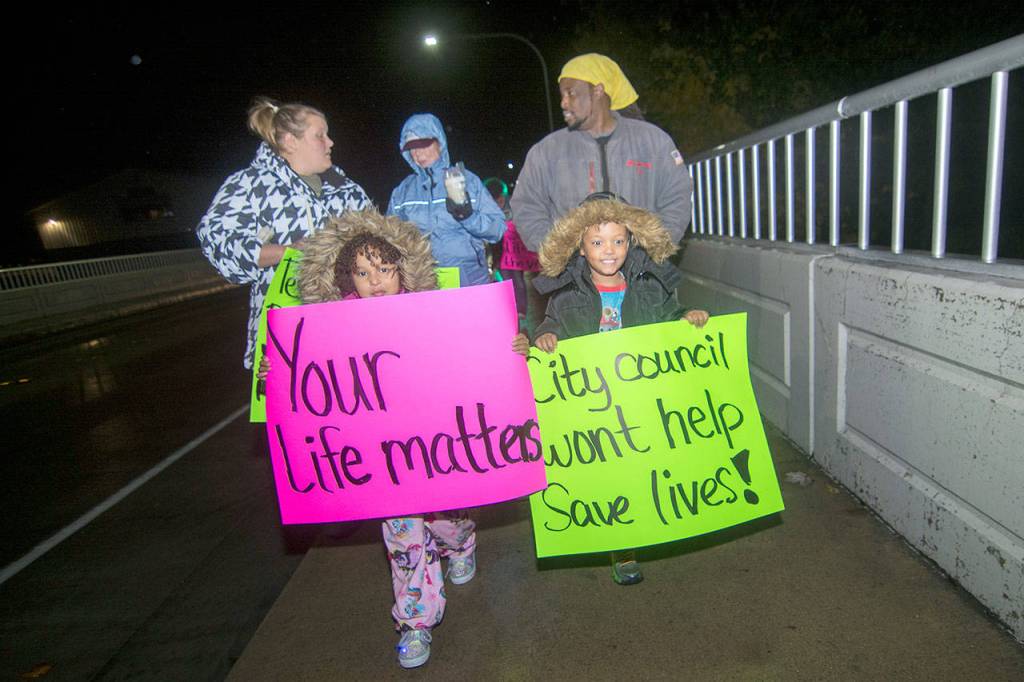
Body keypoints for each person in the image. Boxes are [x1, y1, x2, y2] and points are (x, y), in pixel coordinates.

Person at [260, 210, 529, 668]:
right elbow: (311, 384)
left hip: (435, 447)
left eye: (384, 269)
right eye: (362, 273)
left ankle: (461, 541)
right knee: (404, 535)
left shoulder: (430, 312)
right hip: (384, 462)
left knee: (447, 516)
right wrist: (278, 374)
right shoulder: (331, 327)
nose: (375, 280)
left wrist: (509, 346)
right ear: (347, 275)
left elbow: (469, 356)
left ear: (402, 268)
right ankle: (415, 620)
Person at [531, 195, 709, 585]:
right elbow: (550, 324)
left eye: (617, 241)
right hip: (593, 403)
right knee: (607, 471)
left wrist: (686, 318)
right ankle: (614, 538)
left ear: (631, 241)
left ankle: (640, 534)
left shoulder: (648, 285)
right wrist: (545, 336)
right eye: (597, 242)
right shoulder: (567, 294)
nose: (608, 251)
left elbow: (668, 318)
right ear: (580, 246)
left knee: (638, 465)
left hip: (638, 399)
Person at [197, 96, 370, 369]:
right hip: (285, 342)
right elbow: (217, 242)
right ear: (291, 141)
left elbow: (377, 247)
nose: (330, 142)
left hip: (345, 334)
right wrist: (286, 253)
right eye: (320, 136)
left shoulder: (346, 189)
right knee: (288, 409)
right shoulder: (251, 185)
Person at [510, 53, 692, 254]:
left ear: (597, 91)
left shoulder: (653, 141)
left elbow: (677, 197)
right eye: (562, 95)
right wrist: (559, 252)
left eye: (571, 93)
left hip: (642, 278)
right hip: (572, 280)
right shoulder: (547, 151)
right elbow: (526, 205)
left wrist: (652, 250)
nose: (563, 103)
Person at [387, 113, 506, 287]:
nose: (417, 153)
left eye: (423, 144)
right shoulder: (403, 191)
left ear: (440, 143)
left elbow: (498, 229)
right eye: (411, 147)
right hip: (422, 281)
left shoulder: (467, 181)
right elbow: (389, 237)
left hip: (468, 279)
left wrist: (468, 216)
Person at [484, 177, 540, 334]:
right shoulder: (488, 212)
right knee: (505, 283)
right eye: (496, 200)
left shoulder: (515, 208)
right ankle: (508, 310)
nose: (500, 202)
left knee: (518, 282)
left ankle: (520, 312)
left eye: (501, 198)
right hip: (501, 256)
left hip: (516, 257)